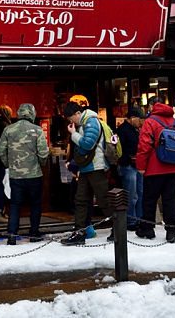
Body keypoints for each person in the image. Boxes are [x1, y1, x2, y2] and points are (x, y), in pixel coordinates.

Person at [60, 101, 113, 246]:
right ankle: (79, 232)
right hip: (86, 168)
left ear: (78, 113)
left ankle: (117, 228)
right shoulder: (83, 123)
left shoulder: (91, 122)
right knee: (81, 199)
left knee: (103, 199)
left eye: (72, 118)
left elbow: (87, 144)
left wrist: (73, 135)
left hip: (96, 167)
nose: (72, 122)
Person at [0, 103, 49, 245]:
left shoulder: (8, 130)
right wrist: (40, 164)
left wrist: (9, 164)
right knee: (35, 204)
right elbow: (44, 152)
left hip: (16, 175)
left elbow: (1, 150)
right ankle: (34, 234)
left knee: (14, 205)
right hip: (34, 175)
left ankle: (12, 235)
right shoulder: (37, 130)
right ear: (32, 114)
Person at [135, 102, 175, 243]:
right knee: (171, 199)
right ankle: (171, 231)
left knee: (149, 199)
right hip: (174, 167)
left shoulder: (150, 121)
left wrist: (141, 166)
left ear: (152, 108)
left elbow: (144, 145)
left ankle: (147, 229)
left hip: (154, 168)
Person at [116, 107, 145, 229]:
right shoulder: (122, 130)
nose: (140, 122)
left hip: (137, 165)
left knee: (140, 192)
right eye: (139, 119)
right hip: (128, 166)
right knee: (131, 195)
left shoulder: (135, 130)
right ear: (132, 118)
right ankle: (131, 221)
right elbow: (118, 149)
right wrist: (125, 160)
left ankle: (139, 219)